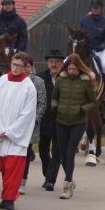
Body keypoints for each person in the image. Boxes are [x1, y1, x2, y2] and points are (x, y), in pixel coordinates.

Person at [0, 52, 37, 210]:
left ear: (25, 67)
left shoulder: (29, 86)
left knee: (13, 168)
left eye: (19, 66)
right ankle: (6, 195)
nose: (16, 68)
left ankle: (9, 200)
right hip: (0, 131)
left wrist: (11, 131)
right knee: (3, 166)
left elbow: (28, 114)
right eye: (14, 65)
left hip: (16, 135)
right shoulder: (2, 81)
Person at [51, 54, 96, 199]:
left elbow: (93, 102)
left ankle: (67, 185)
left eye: (74, 69)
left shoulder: (85, 81)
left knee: (70, 152)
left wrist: (83, 109)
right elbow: (54, 98)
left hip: (78, 122)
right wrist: (56, 107)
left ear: (79, 69)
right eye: (69, 68)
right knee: (63, 154)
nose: (71, 71)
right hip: (61, 120)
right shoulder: (60, 80)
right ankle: (70, 179)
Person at [38, 49, 64, 191]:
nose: (54, 64)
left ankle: (50, 181)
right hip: (44, 120)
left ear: (61, 63)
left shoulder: (66, 78)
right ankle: (48, 174)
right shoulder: (41, 77)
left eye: (57, 62)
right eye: (51, 61)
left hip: (60, 121)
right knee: (42, 151)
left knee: (57, 152)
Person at [20, 55, 47, 195]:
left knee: (25, 152)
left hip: (30, 124)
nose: (25, 69)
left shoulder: (38, 82)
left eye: (27, 67)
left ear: (31, 67)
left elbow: (42, 103)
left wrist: (34, 118)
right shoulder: (13, 81)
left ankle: (22, 181)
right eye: (23, 67)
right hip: (14, 122)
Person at [79, 0, 105, 100]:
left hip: (100, 51)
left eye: (97, 8)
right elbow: (79, 34)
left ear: (101, 8)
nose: (95, 9)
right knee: (67, 60)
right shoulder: (84, 20)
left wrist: (101, 47)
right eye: (93, 8)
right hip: (85, 50)